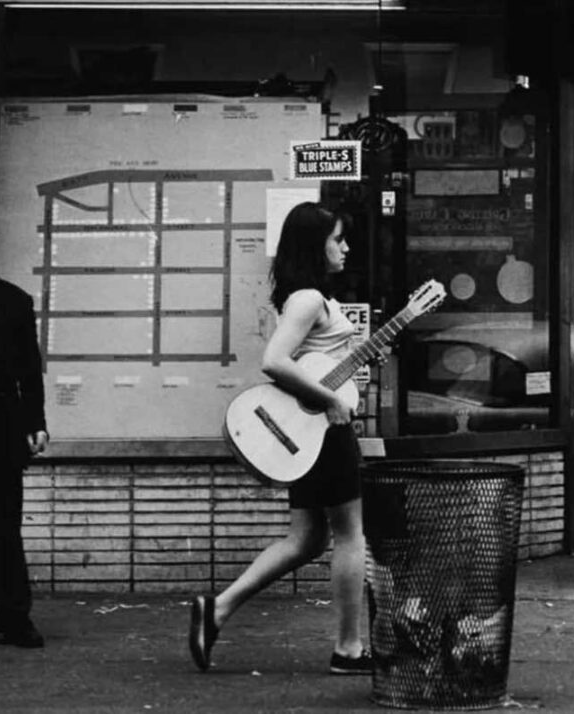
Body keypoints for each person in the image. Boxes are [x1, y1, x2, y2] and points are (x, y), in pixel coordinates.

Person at [188, 202, 371, 674]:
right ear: (316, 246)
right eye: (337, 239)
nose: (346, 247)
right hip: (324, 431)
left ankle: (219, 609)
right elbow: (274, 361)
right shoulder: (308, 298)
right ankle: (349, 649)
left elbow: (317, 365)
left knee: (307, 539)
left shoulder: (309, 298)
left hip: (308, 432)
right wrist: (332, 401)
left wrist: (348, 378)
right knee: (351, 535)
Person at [0, 212, 49, 648]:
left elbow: (30, 372)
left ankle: (14, 619)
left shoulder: (13, 302)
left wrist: (35, 424)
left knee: (3, 528)